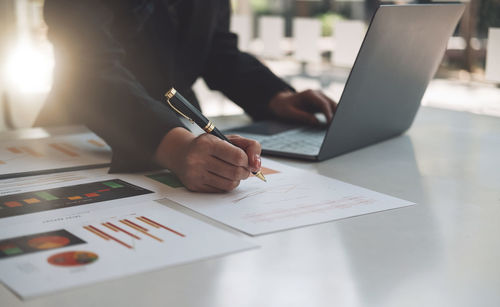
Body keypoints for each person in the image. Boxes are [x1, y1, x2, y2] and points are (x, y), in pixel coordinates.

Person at [36, 0, 336, 192]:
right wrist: (174, 146)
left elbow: (217, 50)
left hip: (184, 136)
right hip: (76, 135)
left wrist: (276, 97)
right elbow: (88, 71)